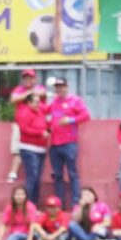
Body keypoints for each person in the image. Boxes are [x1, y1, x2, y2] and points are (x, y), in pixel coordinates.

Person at [45, 76, 90, 210]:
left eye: (62, 87)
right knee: (57, 175)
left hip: (69, 143)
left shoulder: (74, 100)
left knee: (72, 173)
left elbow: (86, 115)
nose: (59, 90)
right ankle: (59, 203)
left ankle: (76, 203)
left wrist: (70, 120)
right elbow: (44, 115)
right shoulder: (53, 103)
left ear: (66, 87)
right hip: (54, 144)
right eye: (57, 87)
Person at [14, 85, 50, 206]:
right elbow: (24, 129)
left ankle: (33, 204)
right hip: (29, 148)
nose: (38, 104)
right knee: (32, 177)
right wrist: (40, 133)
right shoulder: (24, 112)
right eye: (35, 102)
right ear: (28, 103)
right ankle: (26, 204)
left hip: (40, 149)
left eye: (39, 102)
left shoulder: (40, 111)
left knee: (37, 179)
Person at [6, 68, 42, 183]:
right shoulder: (18, 89)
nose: (28, 80)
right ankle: (13, 173)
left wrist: (26, 95)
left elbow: (41, 94)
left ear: (35, 79)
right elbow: (13, 99)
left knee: (36, 152)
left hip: (36, 124)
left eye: (30, 77)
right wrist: (29, 94)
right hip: (20, 124)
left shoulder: (39, 88)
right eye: (26, 77)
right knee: (18, 149)